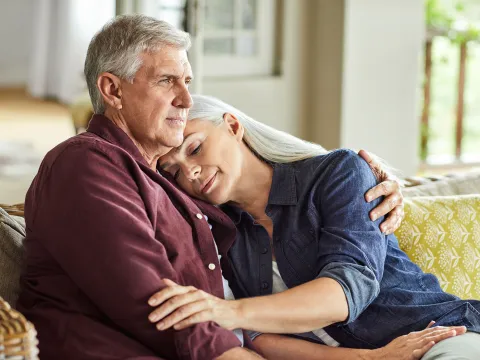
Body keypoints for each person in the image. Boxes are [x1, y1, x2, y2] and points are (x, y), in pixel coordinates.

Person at [16, 14, 403, 360]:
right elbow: (153, 302)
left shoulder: (176, 187)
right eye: (167, 81)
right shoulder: (86, 163)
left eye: (187, 82)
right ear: (113, 91)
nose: (185, 100)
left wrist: (374, 176)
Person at [151, 94, 480, 360]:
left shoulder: (336, 172)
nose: (190, 172)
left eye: (194, 148)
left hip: (438, 332)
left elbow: (345, 291)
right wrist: (373, 358)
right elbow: (261, 336)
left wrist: (227, 311)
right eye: (174, 172)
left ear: (233, 126)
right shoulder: (219, 232)